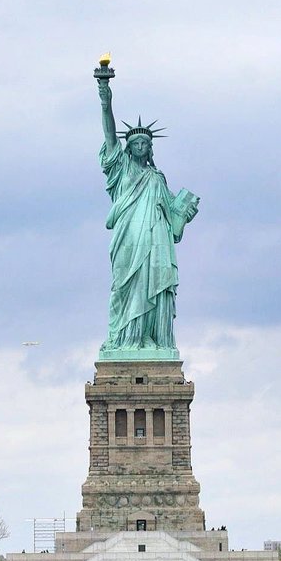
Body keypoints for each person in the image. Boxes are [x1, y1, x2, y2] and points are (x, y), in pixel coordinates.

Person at [96, 76, 198, 355]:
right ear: (128, 148)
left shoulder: (157, 178)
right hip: (128, 239)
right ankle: (125, 338)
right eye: (136, 143)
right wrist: (106, 98)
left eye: (145, 143)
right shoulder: (122, 170)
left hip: (156, 242)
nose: (141, 146)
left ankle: (151, 339)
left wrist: (184, 213)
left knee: (153, 282)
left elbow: (173, 222)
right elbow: (108, 133)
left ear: (150, 148)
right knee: (125, 287)